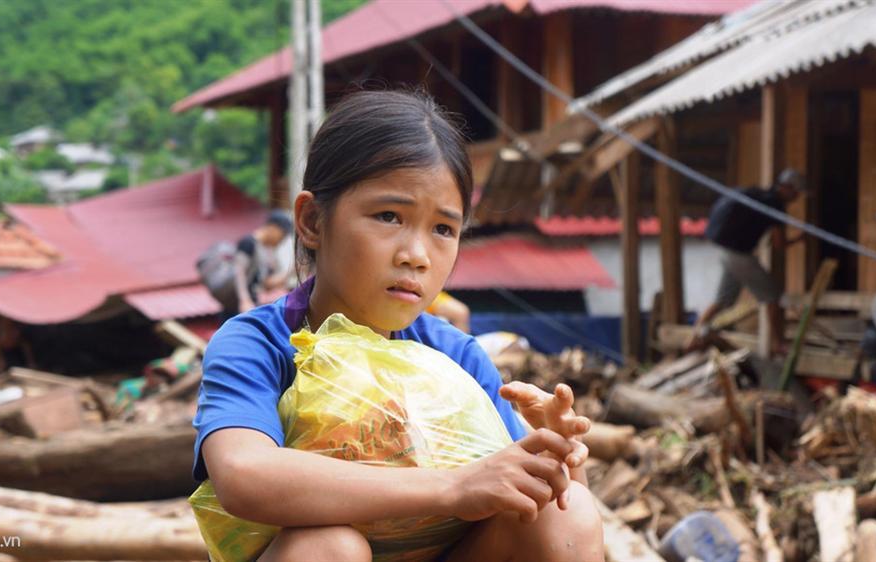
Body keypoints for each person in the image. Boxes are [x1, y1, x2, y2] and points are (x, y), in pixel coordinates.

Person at [193, 90, 604, 562]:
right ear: (310, 221)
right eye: (389, 216)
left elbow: (535, 504)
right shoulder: (259, 344)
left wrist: (561, 458)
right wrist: (452, 487)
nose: (417, 255)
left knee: (564, 512)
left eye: (443, 229)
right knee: (328, 547)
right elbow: (244, 474)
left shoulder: (456, 357)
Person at [692, 168, 805, 353]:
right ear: (787, 188)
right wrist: (799, 239)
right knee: (773, 296)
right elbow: (779, 244)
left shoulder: (759, 195)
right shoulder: (776, 206)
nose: (797, 197)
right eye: (796, 192)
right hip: (740, 255)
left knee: (723, 299)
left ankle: (697, 334)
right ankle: (779, 345)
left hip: (726, 252)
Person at [231, 210, 295, 316]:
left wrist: (292, 270)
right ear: (273, 228)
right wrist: (244, 300)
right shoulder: (248, 243)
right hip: (237, 307)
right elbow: (238, 273)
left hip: (251, 304)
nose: (281, 240)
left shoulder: (266, 252)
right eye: (282, 235)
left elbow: (267, 284)